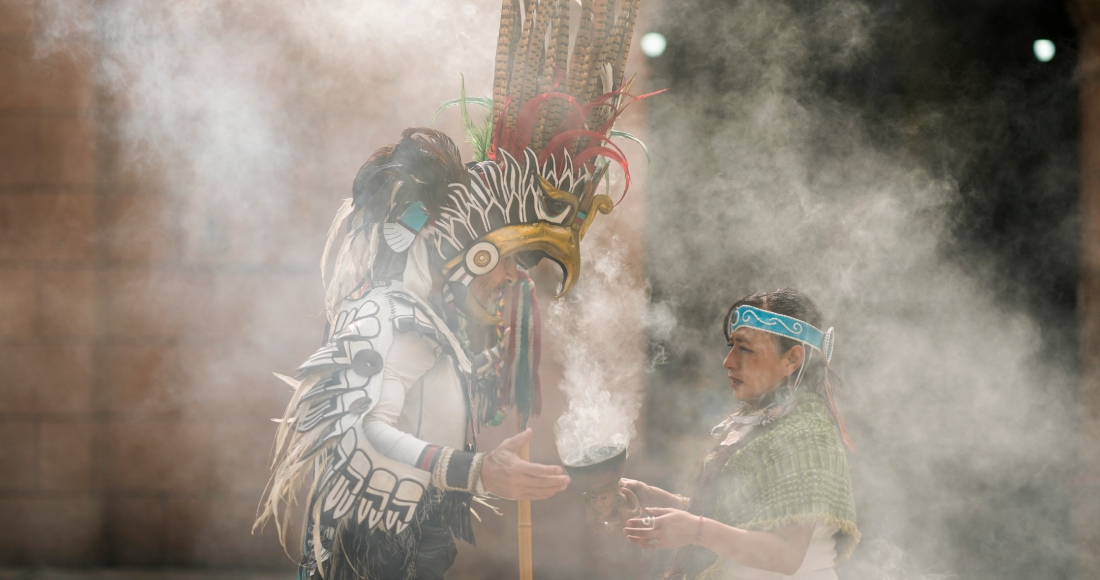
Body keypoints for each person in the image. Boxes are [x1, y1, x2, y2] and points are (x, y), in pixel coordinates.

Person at [254, 1, 652, 578]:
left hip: (419, 543)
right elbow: (363, 428)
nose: (514, 281)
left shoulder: (440, 325)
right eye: (510, 263)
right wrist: (475, 472)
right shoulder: (384, 314)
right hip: (365, 556)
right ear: (472, 252)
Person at [622, 289, 859, 580]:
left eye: (745, 348)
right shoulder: (760, 421)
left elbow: (786, 554)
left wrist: (695, 529)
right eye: (731, 345)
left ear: (792, 360)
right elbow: (741, 519)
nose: (728, 361)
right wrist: (661, 501)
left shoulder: (808, 432)